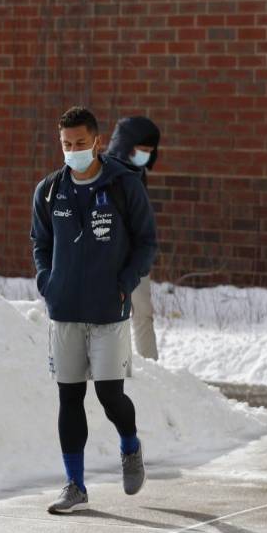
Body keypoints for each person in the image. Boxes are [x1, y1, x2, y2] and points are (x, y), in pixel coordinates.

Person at [30, 107, 157, 515]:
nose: (73, 151)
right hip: (64, 309)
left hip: (109, 309)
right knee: (70, 397)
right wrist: (47, 282)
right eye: (67, 145)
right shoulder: (50, 190)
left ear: (97, 141)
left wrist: (124, 285)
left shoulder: (123, 185)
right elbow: (40, 243)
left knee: (108, 394)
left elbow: (146, 243)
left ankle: (130, 444)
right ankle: (75, 485)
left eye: (81, 144)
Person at [107, 116, 161, 360]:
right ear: (127, 146)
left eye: (150, 151)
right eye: (142, 150)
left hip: (136, 254)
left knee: (143, 312)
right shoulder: (106, 171)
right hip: (109, 254)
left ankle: (150, 366)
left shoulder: (139, 174)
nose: (146, 156)